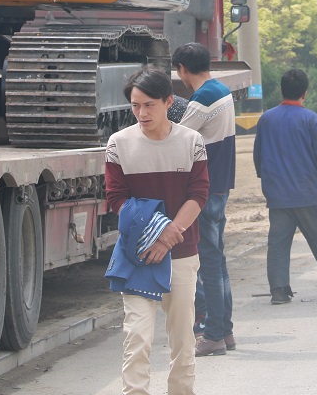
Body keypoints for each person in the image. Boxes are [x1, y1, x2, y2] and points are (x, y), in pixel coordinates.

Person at [105, 68, 210, 395]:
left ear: (168, 102)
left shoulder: (192, 142)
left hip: (181, 253)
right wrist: (157, 233)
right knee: (136, 337)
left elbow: (199, 194)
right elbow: (116, 198)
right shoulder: (118, 144)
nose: (141, 113)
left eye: (149, 105)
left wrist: (170, 233)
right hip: (137, 255)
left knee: (182, 339)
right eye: (135, 106)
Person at [253, 69, 317, 305]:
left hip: (278, 195)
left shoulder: (266, 118)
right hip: (307, 193)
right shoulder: (311, 119)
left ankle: (279, 290)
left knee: (277, 244)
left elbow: (258, 156)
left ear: (282, 90)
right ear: (305, 93)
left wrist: (267, 180)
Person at [171, 42, 237, 357]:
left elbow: (177, 141)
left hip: (207, 190)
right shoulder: (220, 89)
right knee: (217, 262)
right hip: (221, 185)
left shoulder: (202, 99)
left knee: (209, 264)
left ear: (182, 69)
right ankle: (225, 331)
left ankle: (212, 335)